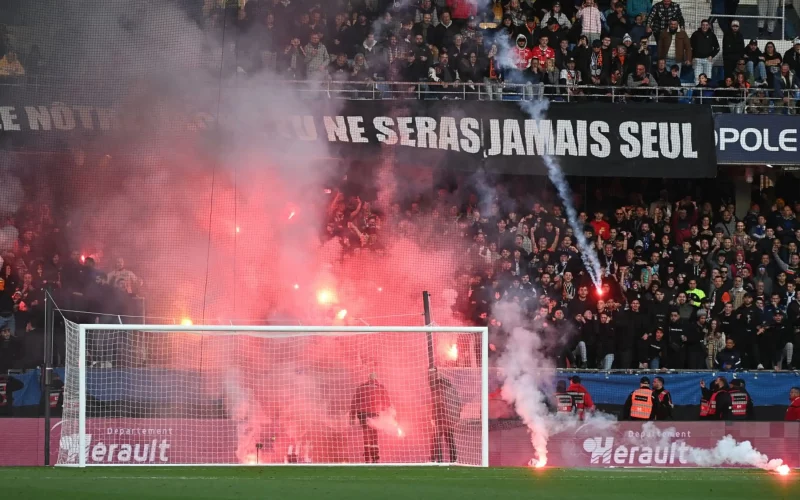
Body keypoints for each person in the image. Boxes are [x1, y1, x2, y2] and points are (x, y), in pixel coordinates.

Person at [350, 373, 392, 463]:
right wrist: (386, 411)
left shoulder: (361, 387)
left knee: (365, 433)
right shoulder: (380, 387)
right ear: (376, 378)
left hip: (362, 413)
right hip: (374, 412)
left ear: (368, 378)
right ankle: (375, 457)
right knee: (374, 434)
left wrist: (352, 417)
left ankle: (367, 456)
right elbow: (387, 402)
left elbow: (354, 402)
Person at [429, 368, 461, 463]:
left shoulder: (439, 391)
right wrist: (456, 417)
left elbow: (437, 405)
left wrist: (433, 418)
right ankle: (453, 459)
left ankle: (435, 459)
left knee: (436, 439)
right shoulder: (452, 390)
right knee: (449, 439)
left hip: (441, 419)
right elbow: (458, 404)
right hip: (449, 420)